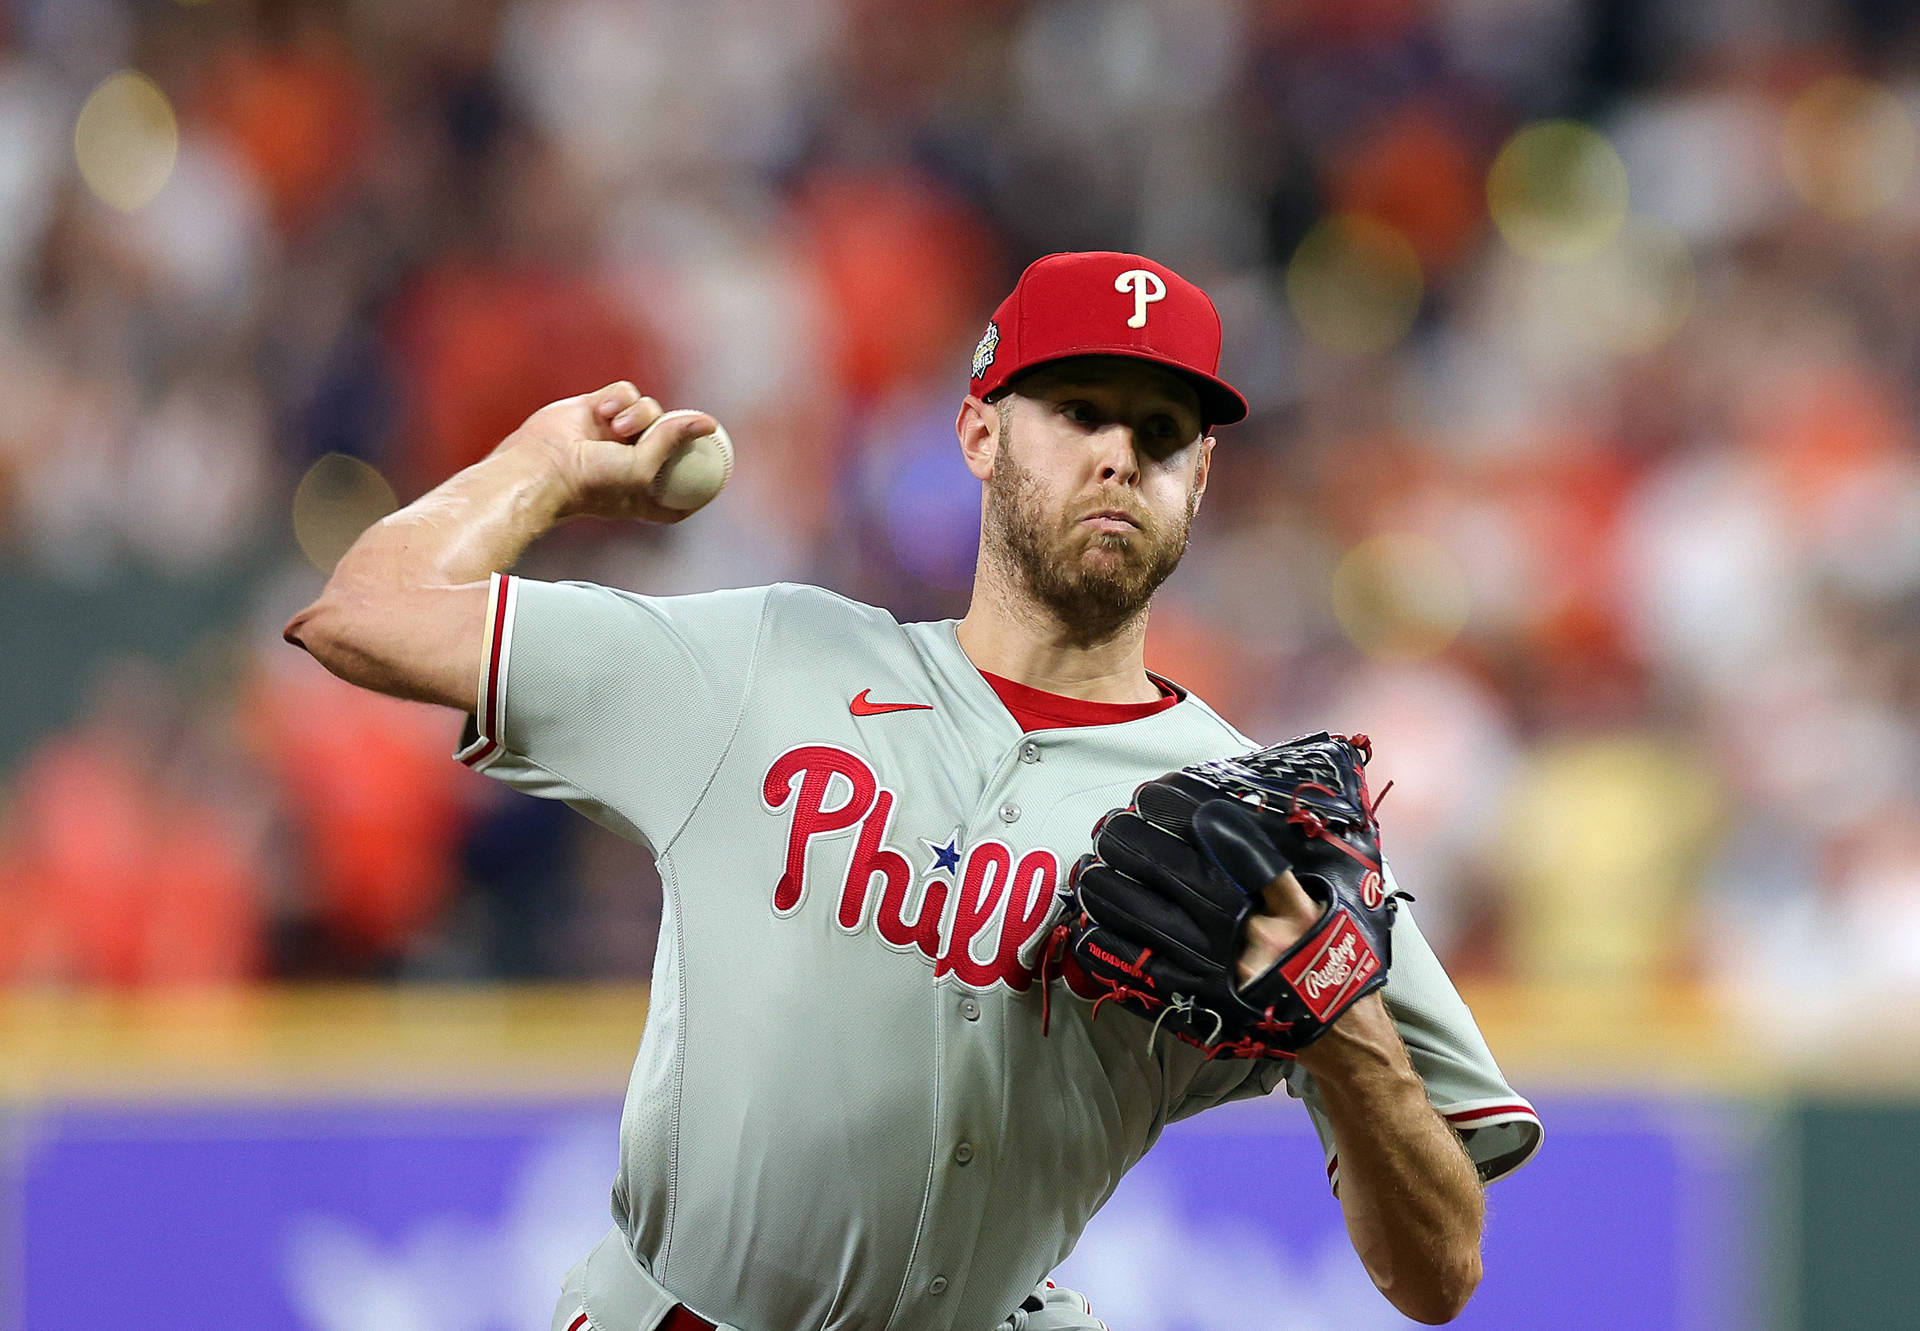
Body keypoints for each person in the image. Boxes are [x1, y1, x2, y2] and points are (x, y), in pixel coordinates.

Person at [287, 251, 1541, 1331]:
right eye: (1080, 409)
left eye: (1163, 432)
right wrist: (539, 472)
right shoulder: (764, 663)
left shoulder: (1254, 831)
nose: (1121, 453)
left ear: (1201, 478)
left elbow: (1439, 1272)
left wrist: (1347, 1025)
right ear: (982, 431)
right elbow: (366, 616)